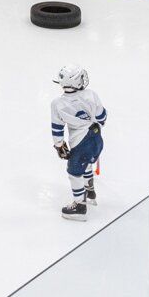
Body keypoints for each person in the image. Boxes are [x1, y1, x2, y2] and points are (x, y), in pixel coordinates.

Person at [50, 65, 107, 222]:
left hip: (79, 143)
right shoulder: (90, 95)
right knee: (87, 163)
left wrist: (59, 145)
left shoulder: (57, 104)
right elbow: (102, 117)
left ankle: (79, 206)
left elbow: (57, 128)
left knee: (74, 172)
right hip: (96, 139)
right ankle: (90, 191)